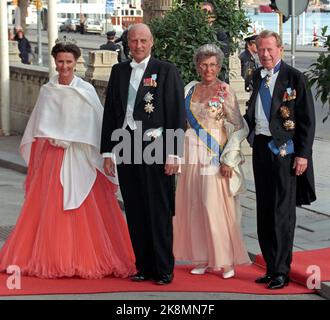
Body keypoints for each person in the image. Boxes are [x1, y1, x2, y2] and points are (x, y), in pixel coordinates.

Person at [0, 41, 136, 279]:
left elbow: (97, 125)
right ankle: (52, 256)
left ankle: (85, 257)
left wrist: (95, 150)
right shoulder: (47, 90)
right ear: (55, 62)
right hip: (53, 158)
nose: (64, 66)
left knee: (86, 209)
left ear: (76, 63)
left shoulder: (86, 90)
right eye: (60, 62)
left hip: (80, 155)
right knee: (50, 207)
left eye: (68, 62)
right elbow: (38, 126)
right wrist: (52, 137)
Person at [101, 23, 186, 285]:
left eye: (143, 41)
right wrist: (107, 151)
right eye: (134, 41)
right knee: (135, 209)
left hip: (156, 149)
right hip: (126, 146)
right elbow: (111, 113)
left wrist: (174, 154)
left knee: (158, 210)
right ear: (127, 43)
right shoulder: (118, 71)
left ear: (152, 42)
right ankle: (143, 266)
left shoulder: (166, 70)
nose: (138, 46)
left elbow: (176, 113)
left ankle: (163, 268)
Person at [244, 30, 316, 289]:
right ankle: (270, 265)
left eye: (270, 49)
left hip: (285, 151)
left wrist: (303, 155)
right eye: (261, 49)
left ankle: (281, 271)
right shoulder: (255, 75)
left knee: (282, 213)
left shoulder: (294, 77)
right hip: (261, 147)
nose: (265, 54)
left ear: (280, 49)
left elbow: (307, 119)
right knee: (263, 209)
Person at [173, 44, 251, 279]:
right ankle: (202, 258)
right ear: (198, 66)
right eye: (204, 64)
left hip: (213, 155)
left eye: (213, 65)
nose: (208, 69)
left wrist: (229, 158)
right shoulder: (189, 89)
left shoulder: (225, 90)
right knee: (194, 205)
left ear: (219, 66)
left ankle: (225, 261)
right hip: (191, 155)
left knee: (213, 206)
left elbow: (240, 126)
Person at [201, 2, 230, 83]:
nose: (205, 15)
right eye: (203, 12)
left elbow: (223, 56)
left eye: (208, 12)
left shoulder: (220, 34)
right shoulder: (194, 33)